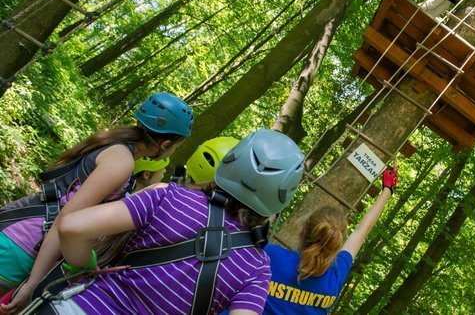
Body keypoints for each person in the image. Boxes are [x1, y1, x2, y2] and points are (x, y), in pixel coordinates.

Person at [34, 129, 305, 314]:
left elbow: (72, 226)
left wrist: (87, 266)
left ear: (232, 161)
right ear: (281, 196)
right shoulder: (257, 267)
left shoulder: (169, 196)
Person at [0, 92, 193, 314]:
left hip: (16, 225)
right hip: (22, 243)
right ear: (166, 143)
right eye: (176, 147)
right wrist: (33, 284)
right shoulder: (121, 161)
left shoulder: (112, 142)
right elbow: (66, 218)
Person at [263, 165, 399, 314]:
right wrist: (388, 189)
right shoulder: (335, 274)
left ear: (302, 231)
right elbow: (362, 231)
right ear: (335, 243)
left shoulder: (271, 255)